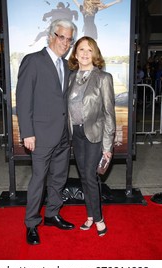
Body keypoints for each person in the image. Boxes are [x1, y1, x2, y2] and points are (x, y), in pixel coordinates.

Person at [16, 19, 77, 245]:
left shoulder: (67, 66)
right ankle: (31, 223)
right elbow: (23, 100)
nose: (66, 43)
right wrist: (27, 132)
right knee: (38, 181)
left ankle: (52, 214)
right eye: (63, 37)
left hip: (63, 134)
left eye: (70, 39)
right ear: (52, 36)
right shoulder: (33, 61)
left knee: (59, 178)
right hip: (40, 135)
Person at [67, 36, 116, 236]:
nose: (85, 53)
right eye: (81, 50)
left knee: (89, 175)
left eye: (89, 50)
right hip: (76, 134)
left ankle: (98, 218)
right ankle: (90, 215)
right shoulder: (71, 77)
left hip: (95, 134)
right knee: (86, 177)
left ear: (94, 54)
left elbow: (109, 114)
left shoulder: (104, 78)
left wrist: (107, 147)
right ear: (76, 54)